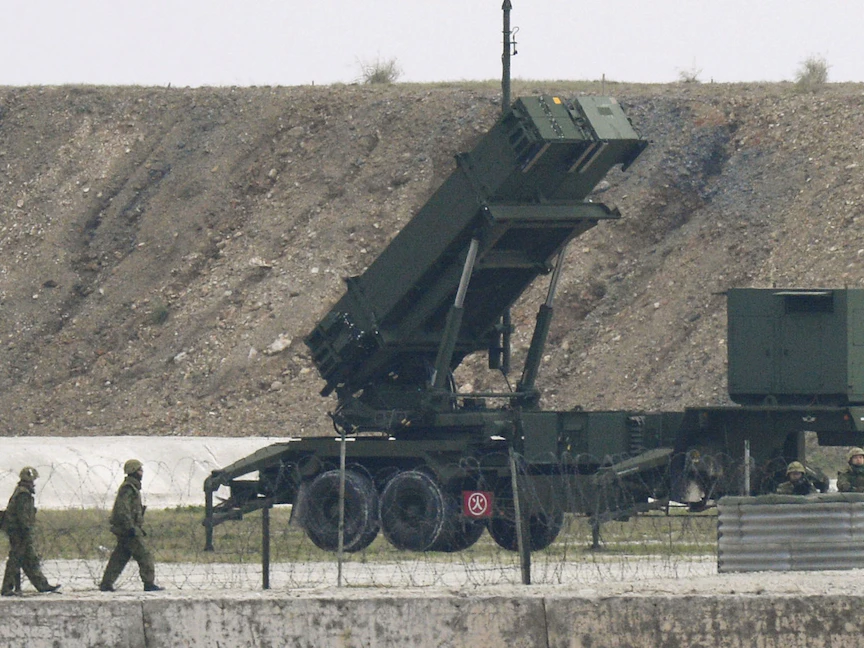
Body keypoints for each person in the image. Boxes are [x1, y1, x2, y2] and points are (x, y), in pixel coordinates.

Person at [99, 459, 164, 592]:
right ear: (133, 471)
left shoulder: (132, 488)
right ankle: (149, 583)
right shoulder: (128, 488)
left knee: (120, 557)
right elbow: (123, 509)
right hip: (128, 530)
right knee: (144, 555)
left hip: (128, 529)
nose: (142, 473)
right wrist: (131, 528)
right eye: (140, 470)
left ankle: (106, 583)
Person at [1, 467, 61, 596]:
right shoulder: (23, 494)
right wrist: (26, 531)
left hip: (17, 530)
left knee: (29, 559)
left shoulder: (21, 491)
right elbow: (22, 516)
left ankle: (42, 585)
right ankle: (7, 588)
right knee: (16, 559)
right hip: (19, 531)